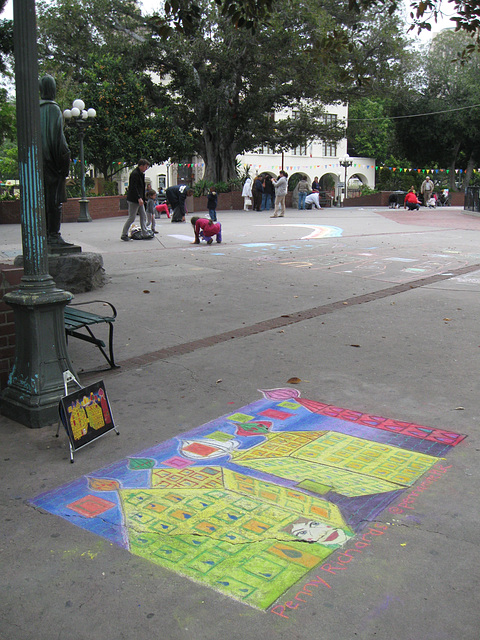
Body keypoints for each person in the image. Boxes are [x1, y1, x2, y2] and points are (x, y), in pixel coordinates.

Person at [39, 74, 72, 247]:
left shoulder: (34, 109)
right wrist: (65, 162)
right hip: (52, 162)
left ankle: (43, 234)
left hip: (37, 164)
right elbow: (59, 141)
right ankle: (53, 235)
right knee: (55, 201)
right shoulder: (53, 109)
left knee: (42, 200)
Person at [121, 159, 150, 241]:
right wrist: (139, 198)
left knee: (143, 215)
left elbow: (141, 188)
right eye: (145, 166)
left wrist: (143, 199)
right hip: (134, 199)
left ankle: (144, 233)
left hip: (139, 199)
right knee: (132, 217)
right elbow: (134, 188)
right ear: (141, 166)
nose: (146, 168)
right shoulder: (135, 174)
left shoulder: (140, 174)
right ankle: (124, 234)